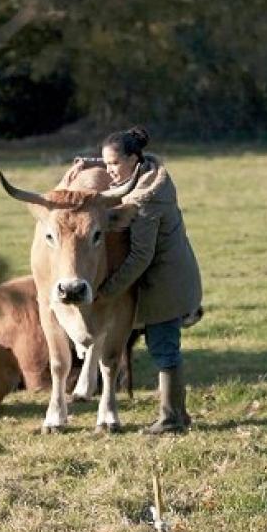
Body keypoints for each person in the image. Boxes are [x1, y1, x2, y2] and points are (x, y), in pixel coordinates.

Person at [72, 126, 202, 434]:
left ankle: (171, 419)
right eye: (105, 164)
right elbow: (116, 162)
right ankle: (179, 415)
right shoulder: (150, 169)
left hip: (165, 283)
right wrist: (89, 162)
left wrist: (106, 292)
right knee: (165, 346)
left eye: (114, 164)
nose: (109, 171)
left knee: (164, 348)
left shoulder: (145, 200)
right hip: (175, 273)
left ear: (133, 159)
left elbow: (140, 257)